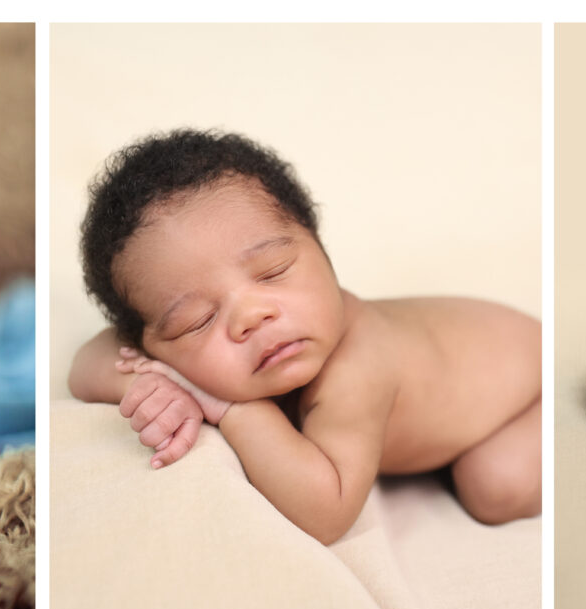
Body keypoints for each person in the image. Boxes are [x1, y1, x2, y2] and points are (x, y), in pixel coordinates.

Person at [67, 129, 540, 540]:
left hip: (525, 386)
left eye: (272, 272)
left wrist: (235, 410)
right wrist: (152, 386)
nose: (251, 315)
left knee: (494, 485)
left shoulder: (356, 368)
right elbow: (87, 364)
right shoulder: (176, 348)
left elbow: (327, 514)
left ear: (323, 251)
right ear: (153, 344)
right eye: (197, 320)